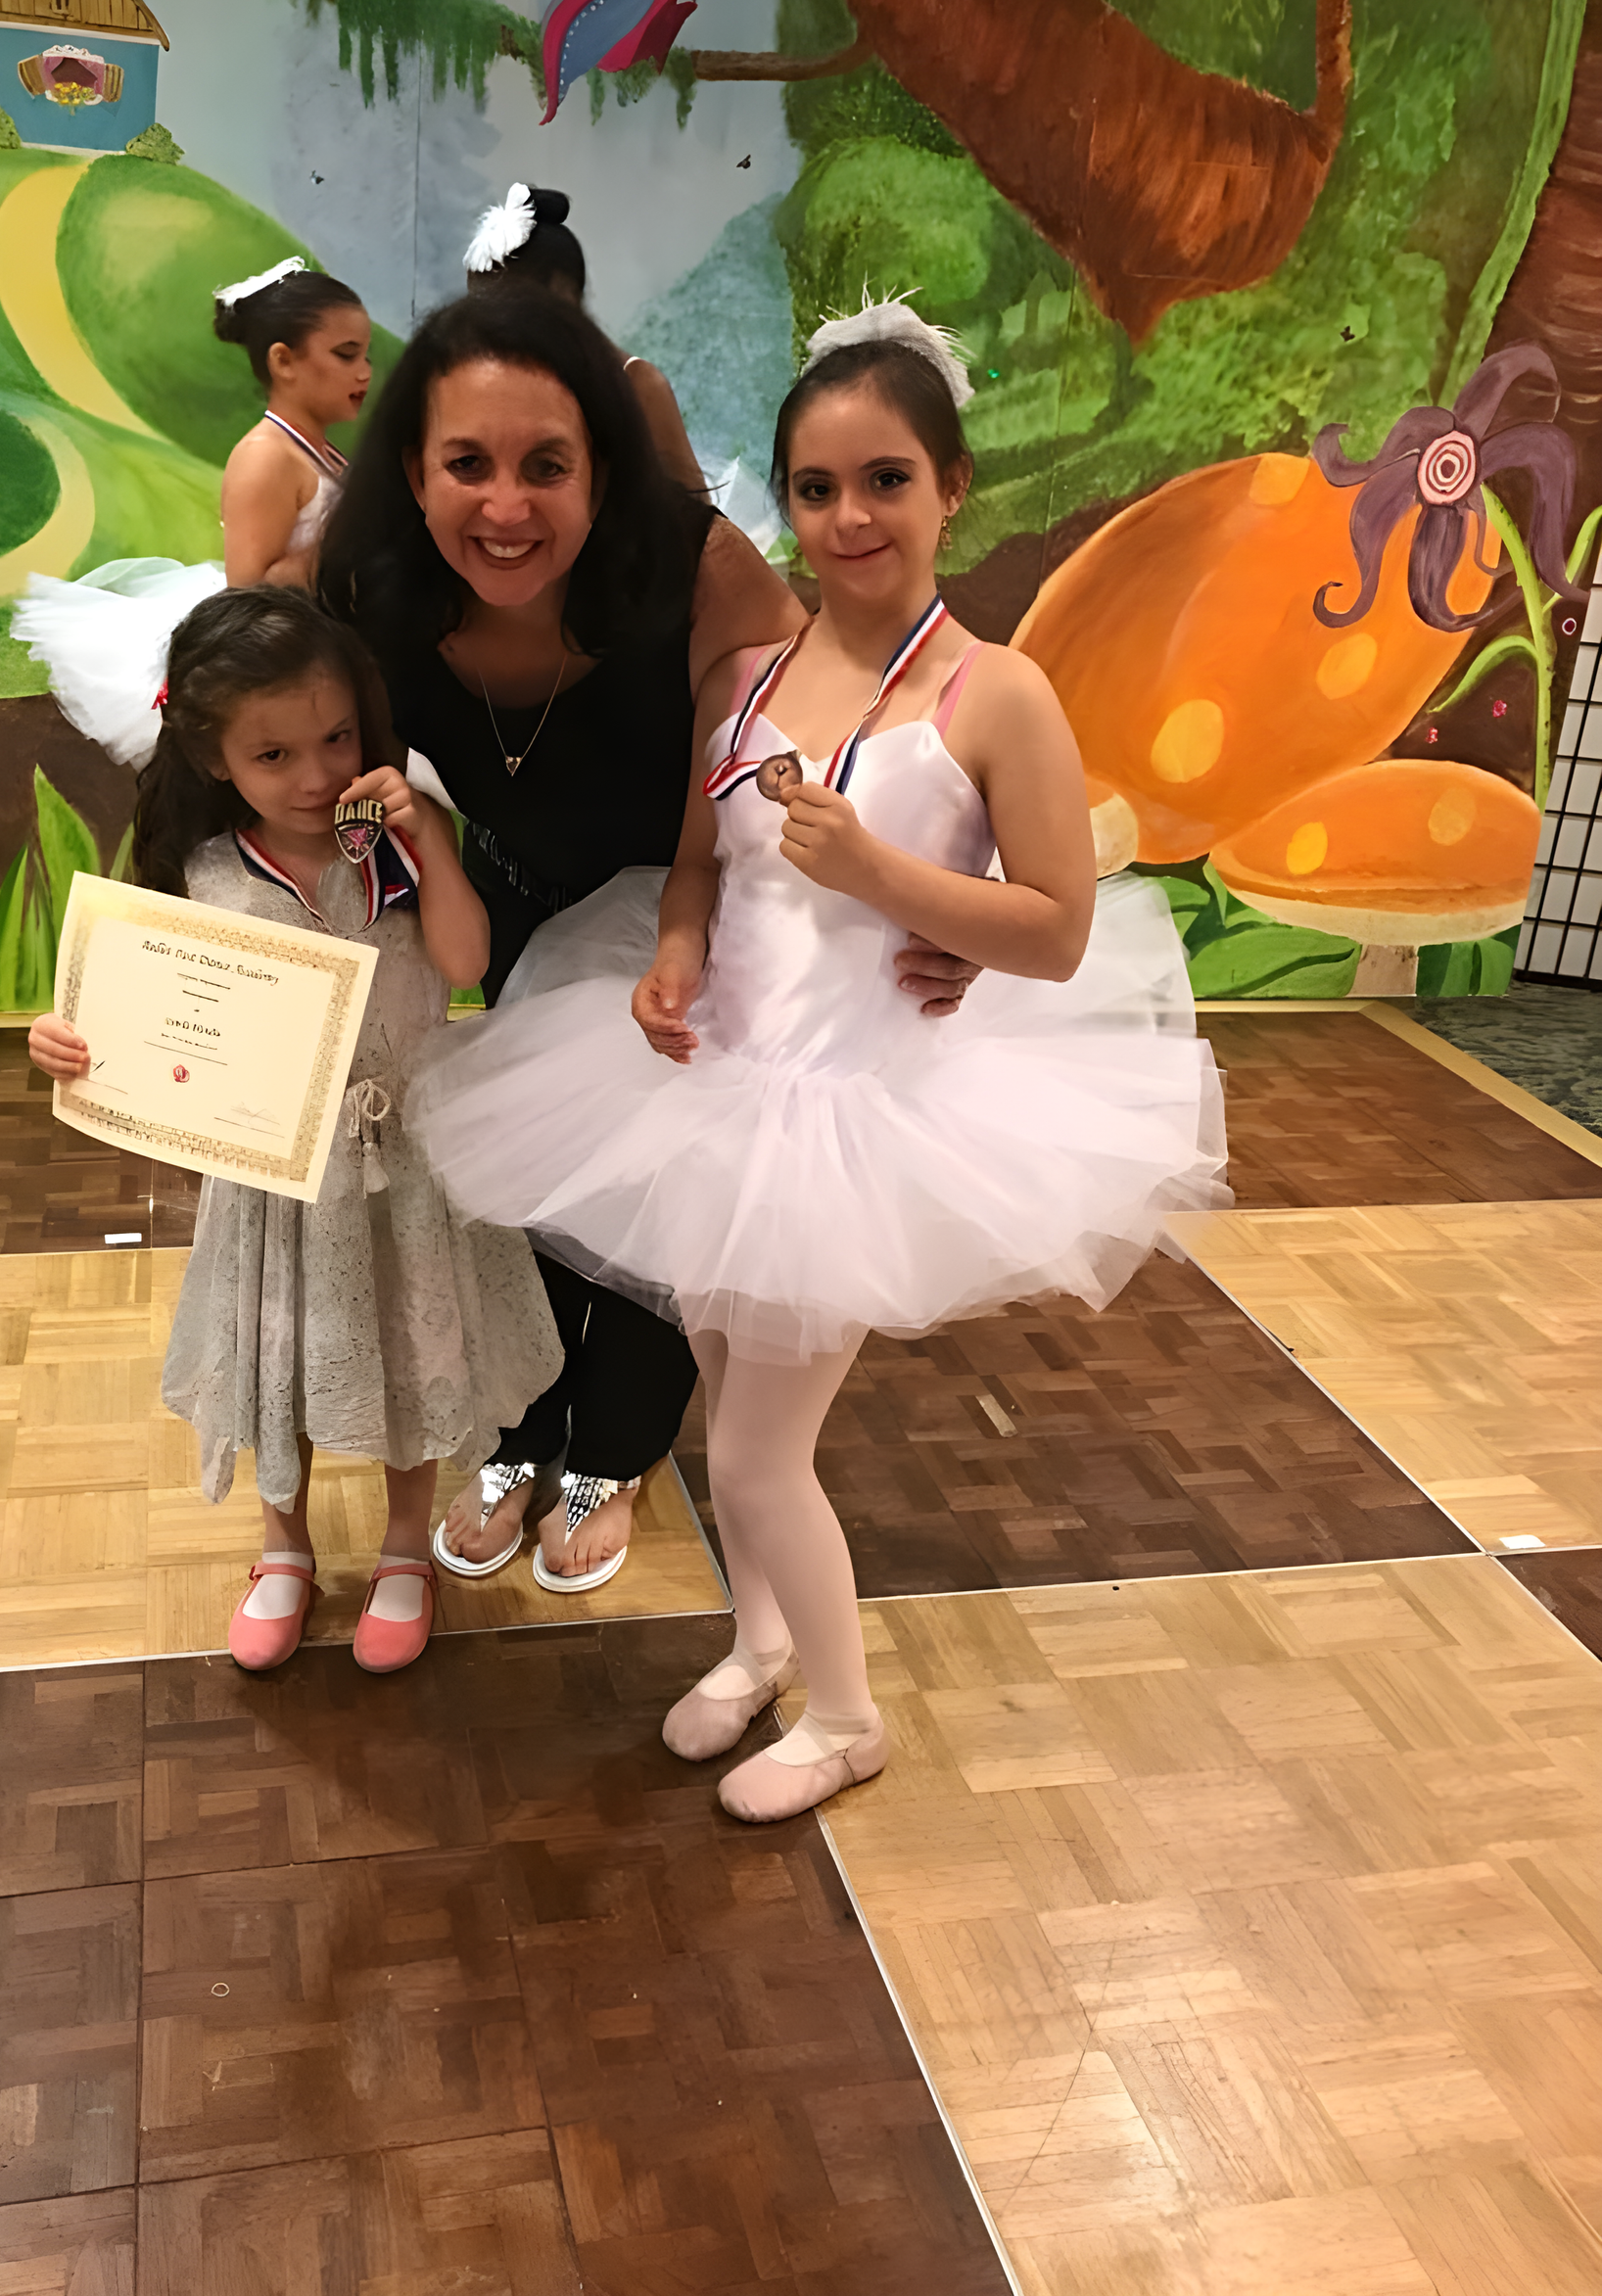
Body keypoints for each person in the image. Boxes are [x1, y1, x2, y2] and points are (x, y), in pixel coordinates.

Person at [407, 306, 1229, 1820]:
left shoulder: (999, 696)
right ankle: (762, 1644)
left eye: (887, 481)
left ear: (952, 488)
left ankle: (846, 1716)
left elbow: (1052, 928)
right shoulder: (748, 676)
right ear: (782, 500)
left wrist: (885, 878)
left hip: (868, 1105)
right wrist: (671, 948)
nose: (850, 519)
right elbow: (700, 859)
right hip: (721, 1082)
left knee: (765, 1455)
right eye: (815, 488)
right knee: (730, 1414)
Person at [316, 287, 979, 1595]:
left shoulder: (691, 559)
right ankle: (519, 1428)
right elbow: (280, 752)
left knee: (668, 1194)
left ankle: (614, 1448)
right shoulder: (365, 580)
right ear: (413, 468)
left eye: (546, 466)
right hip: (507, 894)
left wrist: (943, 895)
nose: (505, 507)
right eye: (468, 464)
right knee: (522, 1181)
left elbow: (844, 727)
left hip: (701, 904)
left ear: (603, 468)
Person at [25, 586, 560, 1674]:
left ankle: (406, 1546)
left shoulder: (398, 843)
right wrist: (71, 1041)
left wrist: (435, 842)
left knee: (416, 1346)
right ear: (217, 758)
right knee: (282, 1359)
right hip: (277, 1172)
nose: (316, 775)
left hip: (411, 1159)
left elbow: (462, 963)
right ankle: (283, 1546)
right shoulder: (202, 869)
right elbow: (140, 1008)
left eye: (335, 738)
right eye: (275, 755)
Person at [11, 261, 374, 766]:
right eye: (346, 355)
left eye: (366, 356)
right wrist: (349, 537)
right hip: (284, 660)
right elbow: (248, 589)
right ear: (283, 361)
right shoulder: (266, 456)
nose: (365, 373)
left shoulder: (322, 452)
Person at [463, 182, 707, 497]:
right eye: (477, 311)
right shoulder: (469, 385)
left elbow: (698, 514)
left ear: (564, 299)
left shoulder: (636, 384)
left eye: (509, 313)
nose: (493, 331)